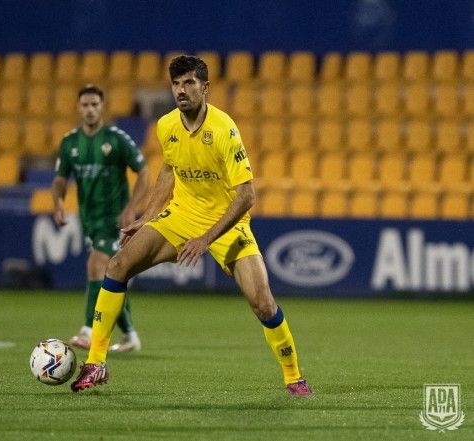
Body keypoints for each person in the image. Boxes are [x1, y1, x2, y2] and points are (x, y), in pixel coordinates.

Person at [70, 56, 313, 396]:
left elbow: (247, 195)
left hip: (226, 222)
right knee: (118, 264)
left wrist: (205, 239)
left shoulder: (224, 129)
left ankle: (293, 376)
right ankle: (96, 363)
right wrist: (147, 219)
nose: (181, 91)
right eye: (176, 84)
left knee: (262, 302)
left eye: (189, 83)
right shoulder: (166, 125)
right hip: (182, 215)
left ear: (205, 88)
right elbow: (168, 172)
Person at [52, 85, 149, 352]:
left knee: (96, 266)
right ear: (78, 108)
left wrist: (131, 208)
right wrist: (58, 203)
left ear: (102, 106)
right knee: (110, 275)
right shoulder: (70, 143)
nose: (90, 109)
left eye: (95, 104)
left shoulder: (116, 139)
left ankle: (88, 328)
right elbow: (60, 180)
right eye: (85, 105)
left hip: (115, 220)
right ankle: (129, 335)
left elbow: (144, 173)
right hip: (89, 220)